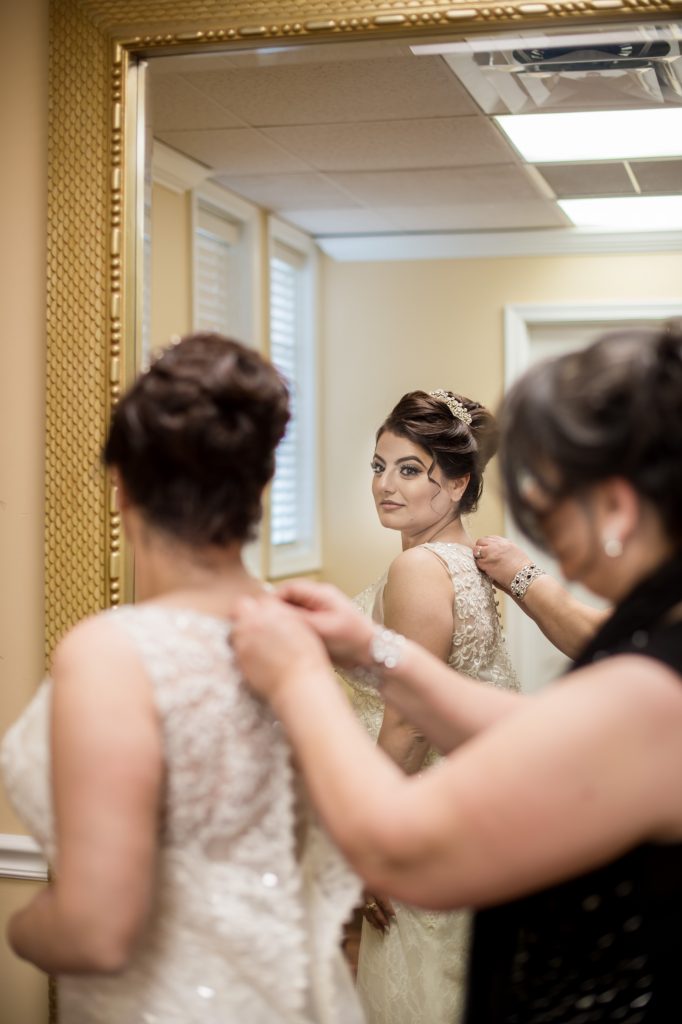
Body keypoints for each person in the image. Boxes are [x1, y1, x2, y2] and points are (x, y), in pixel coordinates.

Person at [232, 321, 682, 1023]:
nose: (535, 521)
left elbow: (405, 839)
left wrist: (295, 682)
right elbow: (534, 725)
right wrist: (370, 648)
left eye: (549, 493)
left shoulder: (655, 681)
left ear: (618, 507)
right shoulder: (655, 637)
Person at [1, 333, 364, 1024]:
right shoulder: (298, 636)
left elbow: (95, 932)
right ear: (256, 490)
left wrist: (22, 930)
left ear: (121, 487)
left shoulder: (112, 654)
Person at [342, 389, 519, 1024]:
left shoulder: (420, 570)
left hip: (420, 822)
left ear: (458, 482)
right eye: (378, 465)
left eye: (410, 470)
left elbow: (412, 723)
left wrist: (367, 842)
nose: (385, 484)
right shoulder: (467, 563)